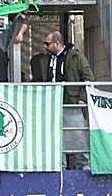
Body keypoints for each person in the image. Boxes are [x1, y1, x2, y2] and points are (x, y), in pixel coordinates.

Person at [31, 30, 95, 169]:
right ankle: (59, 167)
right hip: (51, 104)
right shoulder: (44, 59)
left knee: (77, 137)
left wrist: (82, 99)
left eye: (47, 44)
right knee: (55, 138)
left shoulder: (75, 56)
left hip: (71, 103)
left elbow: (88, 78)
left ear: (57, 43)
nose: (45, 47)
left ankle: (83, 168)